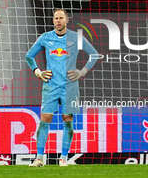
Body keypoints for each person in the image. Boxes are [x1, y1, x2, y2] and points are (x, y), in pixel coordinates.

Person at [25, 9, 98, 167]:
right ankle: (39, 158)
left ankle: (63, 158)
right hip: (50, 85)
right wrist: (38, 72)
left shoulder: (75, 37)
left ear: (66, 20)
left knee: (68, 120)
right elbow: (29, 56)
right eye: (56, 18)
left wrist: (81, 72)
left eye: (61, 18)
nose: (58, 21)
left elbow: (94, 54)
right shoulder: (46, 38)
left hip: (70, 86)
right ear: (53, 21)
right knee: (45, 119)